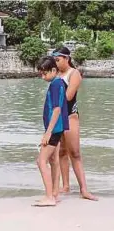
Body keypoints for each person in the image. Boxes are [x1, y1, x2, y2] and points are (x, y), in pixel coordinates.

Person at [51, 46, 98, 201]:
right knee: (61, 152)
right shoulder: (55, 74)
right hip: (58, 117)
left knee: (75, 153)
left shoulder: (74, 73)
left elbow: (69, 96)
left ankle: (84, 189)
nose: (56, 63)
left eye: (58, 60)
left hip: (70, 116)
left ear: (67, 58)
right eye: (54, 60)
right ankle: (65, 185)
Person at [33, 56, 70, 207]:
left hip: (54, 129)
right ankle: (54, 193)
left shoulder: (56, 84)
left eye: (44, 73)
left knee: (41, 161)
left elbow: (56, 110)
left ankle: (49, 197)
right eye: (41, 74)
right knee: (53, 161)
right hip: (58, 128)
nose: (42, 77)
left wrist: (47, 133)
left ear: (54, 70)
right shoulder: (59, 82)